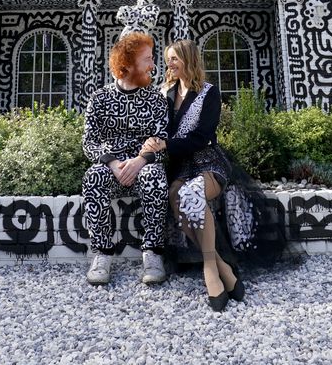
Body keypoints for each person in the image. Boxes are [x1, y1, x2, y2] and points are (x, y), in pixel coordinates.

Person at [140, 39, 279, 311]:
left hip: (208, 162)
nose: (170, 64)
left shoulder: (209, 93)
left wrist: (166, 144)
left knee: (192, 193)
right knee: (175, 196)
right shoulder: (164, 91)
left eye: (175, 59)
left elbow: (202, 137)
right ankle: (221, 266)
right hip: (181, 165)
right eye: (168, 59)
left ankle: (209, 270)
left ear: (189, 60)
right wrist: (152, 143)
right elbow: (157, 127)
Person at [81, 31, 170, 286]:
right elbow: (89, 141)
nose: (153, 65)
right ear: (127, 64)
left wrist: (140, 160)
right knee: (92, 178)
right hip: (111, 166)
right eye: (148, 60)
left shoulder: (155, 99)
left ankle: (152, 253)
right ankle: (102, 254)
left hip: (144, 165)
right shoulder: (99, 98)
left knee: (155, 178)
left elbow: (161, 138)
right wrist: (112, 163)